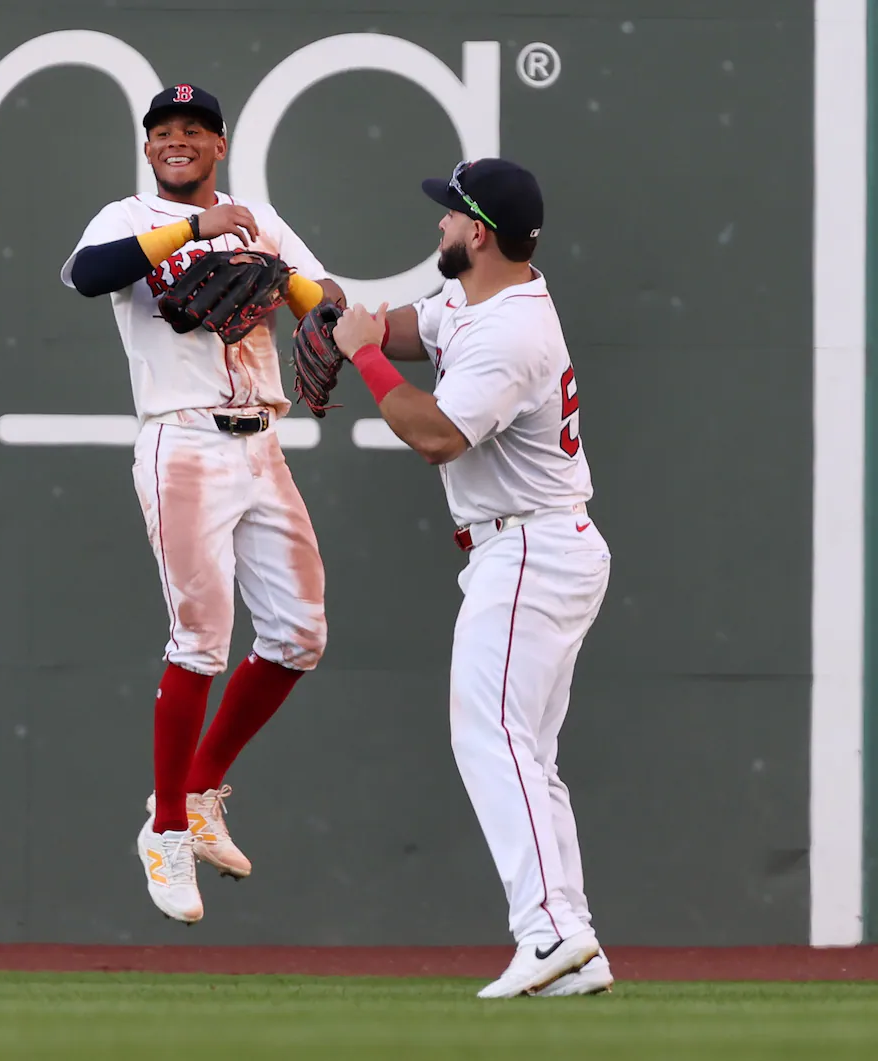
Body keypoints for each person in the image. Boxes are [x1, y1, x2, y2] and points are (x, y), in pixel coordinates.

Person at [59, 84, 346, 924]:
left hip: (262, 442)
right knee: (200, 642)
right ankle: (167, 832)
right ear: (148, 147)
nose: (175, 140)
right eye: (162, 130)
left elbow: (324, 302)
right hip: (182, 440)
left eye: (193, 129)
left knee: (299, 634)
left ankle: (196, 789)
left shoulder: (259, 219)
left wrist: (290, 284)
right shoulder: (126, 217)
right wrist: (191, 231)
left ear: (219, 144)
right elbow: (88, 276)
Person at [329, 159, 613, 998]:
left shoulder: (510, 332)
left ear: (479, 233)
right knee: (528, 754)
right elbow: (402, 327)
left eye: (451, 215)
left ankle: (549, 930)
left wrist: (363, 359)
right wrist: (327, 309)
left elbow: (436, 435)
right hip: (534, 546)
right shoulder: (478, 298)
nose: (440, 224)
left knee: (489, 736)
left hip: (530, 547)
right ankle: (573, 940)